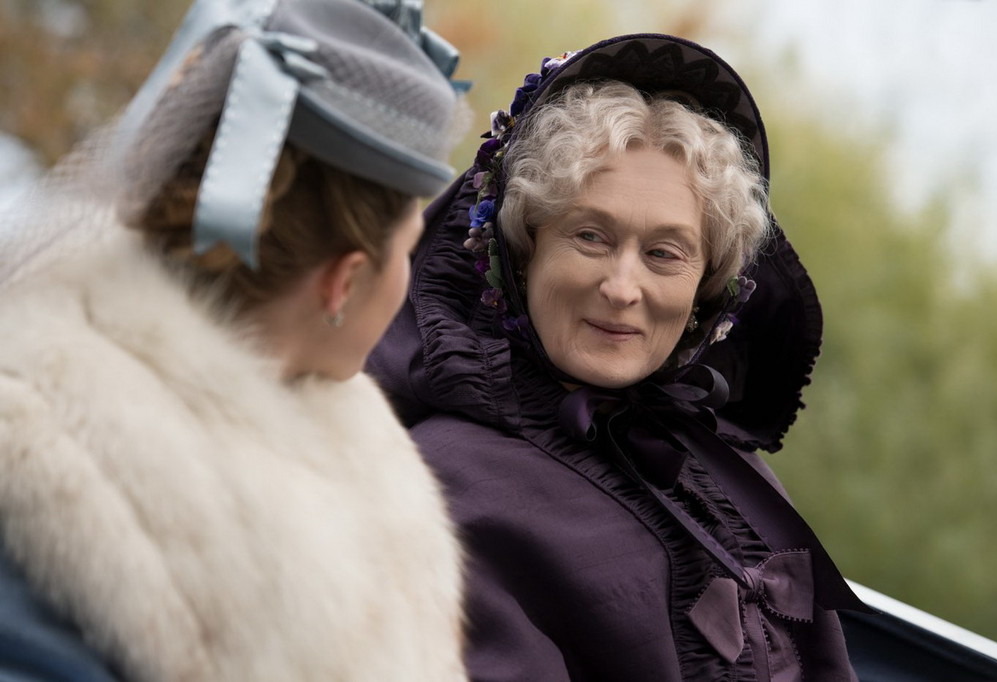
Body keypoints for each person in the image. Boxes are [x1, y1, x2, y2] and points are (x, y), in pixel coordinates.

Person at [368, 34, 871, 681]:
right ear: (522, 251)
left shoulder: (726, 470)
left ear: (707, 286)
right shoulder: (447, 488)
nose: (622, 288)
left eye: (664, 253)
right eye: (590, 236)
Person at [0, 0, 467, 680]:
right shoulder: (38, 448)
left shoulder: (366, 450)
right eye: (407, 250)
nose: (410, 277)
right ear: (344, 281)